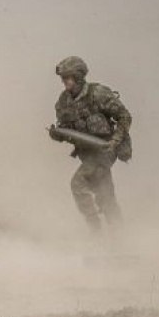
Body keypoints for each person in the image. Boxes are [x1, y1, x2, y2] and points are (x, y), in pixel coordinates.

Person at [49, 56, 132, 232]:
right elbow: (66, 130)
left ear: (78, 76)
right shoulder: (64, 101)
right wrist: (56, 134)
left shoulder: (97, 94)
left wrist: (115, 140)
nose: (64, 81)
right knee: (105, 197)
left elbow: (124, 116)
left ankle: (95, 230)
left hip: (105, 151)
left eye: (67, 77)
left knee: (78, 183)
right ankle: (121, 236)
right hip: (87, 154)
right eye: (63, 78)